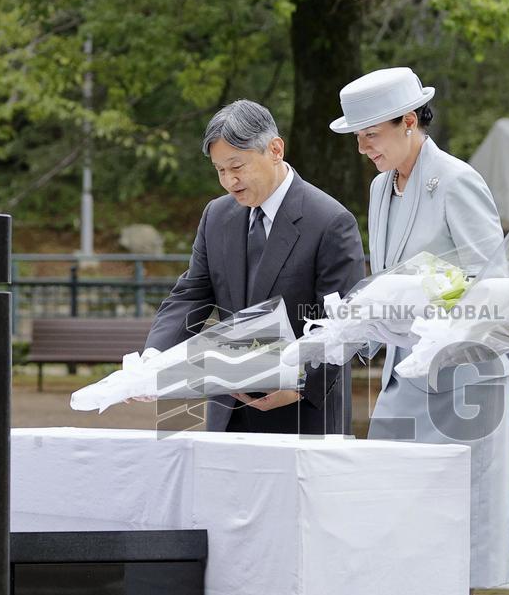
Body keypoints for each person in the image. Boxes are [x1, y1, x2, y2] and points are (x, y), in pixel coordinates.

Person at [330, 67, 509, 595]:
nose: (363, 148)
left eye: (371, 135)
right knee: (397, 520)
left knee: (456, 524)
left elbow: (494, 283)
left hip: (462, 377)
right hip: (402, 372)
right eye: (358, 137)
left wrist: (425, 308)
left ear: (409, 121)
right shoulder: (379, 188)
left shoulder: (456, 180)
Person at [144, 99, 366, 434]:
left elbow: (345, 324)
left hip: (301, 414)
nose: (230, 181)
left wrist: (299, 383)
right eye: (220, 171)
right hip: (228, 410)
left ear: (275, 149)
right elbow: (191, 295)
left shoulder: (330, 221)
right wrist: (153, 358)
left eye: (237, 167)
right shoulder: (216, 217)